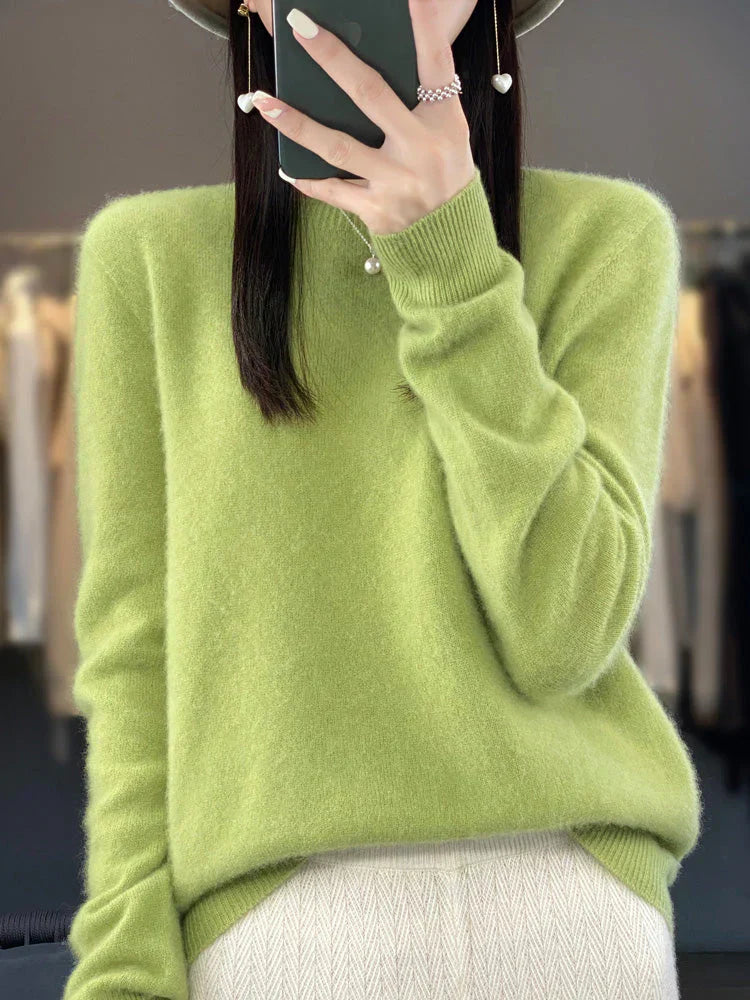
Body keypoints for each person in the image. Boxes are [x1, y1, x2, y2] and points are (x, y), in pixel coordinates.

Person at [61, 1, 702, 998]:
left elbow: (565, 629)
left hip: (575, 912)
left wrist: (452, 258)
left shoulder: (607, 238)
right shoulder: (147, 260)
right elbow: (133, 654)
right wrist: (122, 966)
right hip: (278, 936)